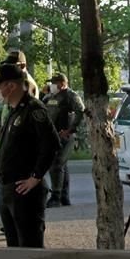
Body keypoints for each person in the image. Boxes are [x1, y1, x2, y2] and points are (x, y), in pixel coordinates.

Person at [0, 62, 61, 248]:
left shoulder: (34, 109)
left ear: (11, 86)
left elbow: (51, 144)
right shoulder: (14, 111)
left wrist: (35, 177)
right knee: (14, 248)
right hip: (8, 188)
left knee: (30, 248)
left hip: (25, 191)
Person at [43, 73, 85, 208]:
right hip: (52, 135)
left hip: (65, 136)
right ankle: (64, 196)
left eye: (54, 83)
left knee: (57, 164)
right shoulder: (50, 97)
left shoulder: (71, 96)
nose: (52, 85)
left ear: (62, 83)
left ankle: (56, 197)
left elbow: (81, 111)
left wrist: (70, 130)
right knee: (62, 165)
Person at [0, 49, 39, 131]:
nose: (8, 68)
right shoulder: (15, 81)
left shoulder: (28, 84)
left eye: (12, 66)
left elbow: (26, 112)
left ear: (22, 66)